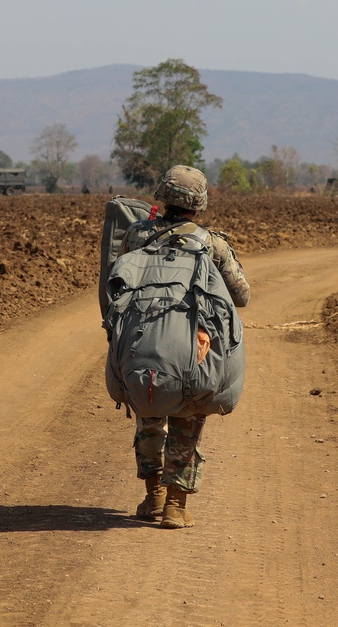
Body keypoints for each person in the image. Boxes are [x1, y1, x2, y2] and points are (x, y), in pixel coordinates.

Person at [118, 165, 250, 528]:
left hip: (143, 344)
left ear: (163, 195)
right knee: (187, 416)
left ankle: (153, 498)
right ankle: (175, 505)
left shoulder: (136, 235)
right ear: (200, 203)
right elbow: (241, 296)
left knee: (149, 415)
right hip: (193, 349)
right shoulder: (212, 244)